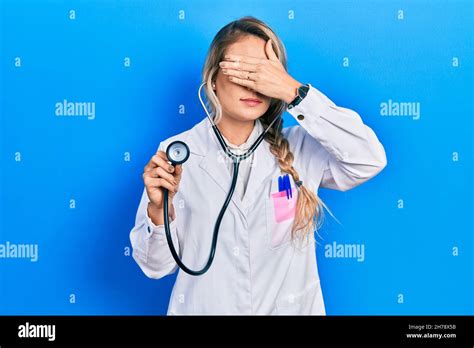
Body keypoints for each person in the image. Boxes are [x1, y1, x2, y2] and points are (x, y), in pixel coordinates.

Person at [129, 16, 387, 315]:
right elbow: (155, 267)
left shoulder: (302, 149)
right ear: (213, 77)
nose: (253, 86)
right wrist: (159, 211)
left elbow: (368, 159)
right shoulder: (178, 153)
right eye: (242, 71)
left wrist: (294, 91)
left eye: (263, 74)